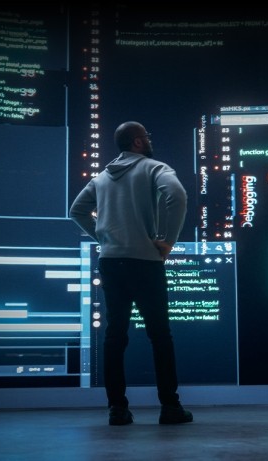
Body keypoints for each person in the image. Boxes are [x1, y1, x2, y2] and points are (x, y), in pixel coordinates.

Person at [69, 121, 193, 426]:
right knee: (160, 336)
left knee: (115, 336)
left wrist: (105, 239)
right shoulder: (154, 168)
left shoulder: (101, 178)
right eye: (146, 137)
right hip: (145, 263)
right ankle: (170, 408)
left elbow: (76, 210)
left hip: (111, 263)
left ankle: (118, 410)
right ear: (137, 142)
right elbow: (177, 196)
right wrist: (167, 241)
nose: (149, 140)